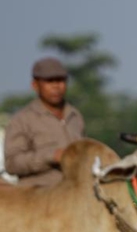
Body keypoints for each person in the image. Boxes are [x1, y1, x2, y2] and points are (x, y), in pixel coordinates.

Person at [3, 57, 84, 187]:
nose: (56, 86)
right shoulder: (22, 119)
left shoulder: (75, 115)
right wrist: (51, 156)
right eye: (49, 81)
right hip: (37, 198)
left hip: (74, 196)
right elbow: (12, 164)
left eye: (61, 80)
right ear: (35, 85)